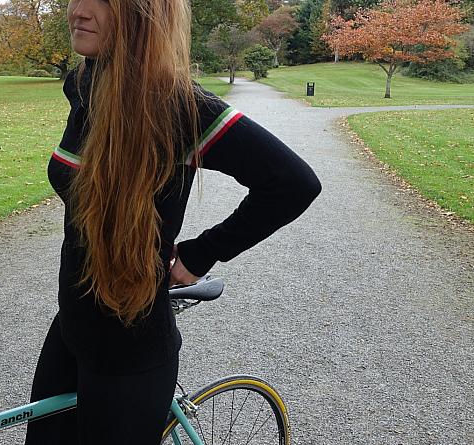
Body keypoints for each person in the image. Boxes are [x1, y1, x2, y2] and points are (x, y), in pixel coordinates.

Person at [25, 0, 322, 444]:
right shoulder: (84, 82)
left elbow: (293, 183)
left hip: (131, 347)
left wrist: (200, 253)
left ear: (143, 15)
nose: (79, 11)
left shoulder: (178, 106)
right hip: (72, 326)